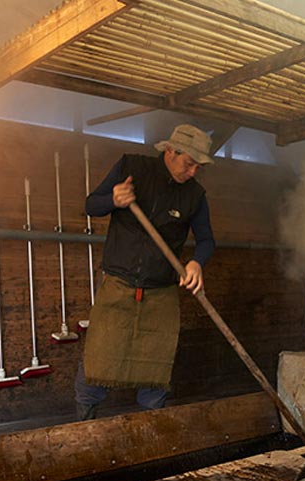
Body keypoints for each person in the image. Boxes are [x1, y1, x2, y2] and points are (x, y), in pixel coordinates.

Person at [74, 124, 216, 420]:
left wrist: (196, 262)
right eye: (189, 163)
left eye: (198, 167)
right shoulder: (132, 168)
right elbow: (91, 205)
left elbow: (206, 240)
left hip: (161, 293)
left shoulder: (195, 195)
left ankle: (151, 433)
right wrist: (113, 200)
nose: (193, 172)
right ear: (170, 151)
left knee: (156, 372)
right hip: (118, 286)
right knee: (96, 365)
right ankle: (83, 427)